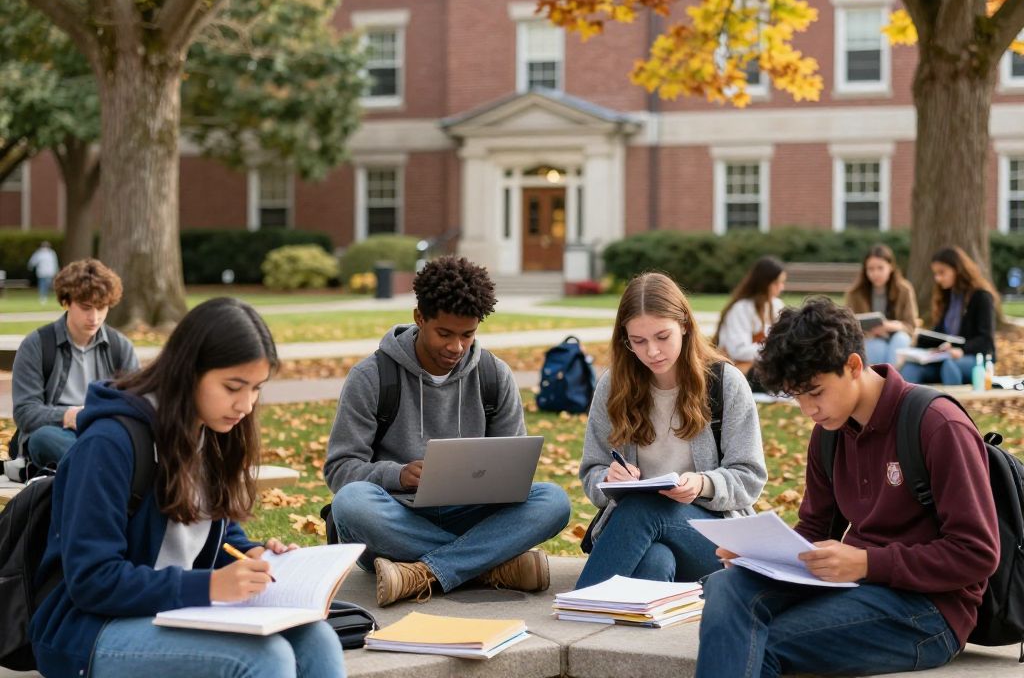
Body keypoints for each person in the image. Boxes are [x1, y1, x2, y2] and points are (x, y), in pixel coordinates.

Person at [29, 297, 345, 678]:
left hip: (169, 611)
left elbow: (212, 529)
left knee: (318, 639)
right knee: (263, 657)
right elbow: (92, 580)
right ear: (188, 371)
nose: (246, 405)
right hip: (88, 630)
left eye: (257, 388)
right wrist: (209, 586)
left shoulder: (208, 430)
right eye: (233, 387)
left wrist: (254, 555)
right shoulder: (110, 443)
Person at [695, 298, 999, 678]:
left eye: (815, 392)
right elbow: (813, 530)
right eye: (797, 396)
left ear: (853, 366)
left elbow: (978, 553)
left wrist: (868, 563)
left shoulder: (937, 425)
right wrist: (757, 555)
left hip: (929, 612)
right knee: (727, 587)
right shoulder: (828, 434)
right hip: (853, 586)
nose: (808, 410)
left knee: (758, 643)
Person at [324, 255, 571, 606]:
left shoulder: (493, 375)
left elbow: (514, 468)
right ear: (419, 318)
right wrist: (399, 475)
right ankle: (488, 566)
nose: (456, 347)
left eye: (467, 335)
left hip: (471, 518)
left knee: (554, 501)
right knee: (350, 504)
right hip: (396, 519)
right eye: (444, 333)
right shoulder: (372, 376)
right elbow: (340, 470)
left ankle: (422, 572)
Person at [576, 272, 766, 589]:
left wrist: (704, 483)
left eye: (662, 337)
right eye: (639, 341)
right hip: (637, 533)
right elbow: (591, 471)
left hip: (712, 537)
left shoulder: (724, 383)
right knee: (656, 562)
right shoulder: (613, 386)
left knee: (645, 507)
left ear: (685, 326)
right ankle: (647, 607)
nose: (652, 351)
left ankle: (581, 606)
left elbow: (750, 476)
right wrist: (609, 480)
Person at [11, 258, 139, 470]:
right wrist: (68, 416)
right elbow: (25, 413)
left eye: (101, 307)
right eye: (86, 307)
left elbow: (136, 405)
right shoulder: (38, 344)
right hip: (57, 432)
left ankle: (98, 463)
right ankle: (104, 466)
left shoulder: (120, 347)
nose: (94, 317)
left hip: (105, 431)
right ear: (67, 302)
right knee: (43, 438)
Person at [899, 245, 998, 386]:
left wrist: (961, 350)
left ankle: (950, 407)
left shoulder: (981, 297)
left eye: (942, 272)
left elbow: (986, 340)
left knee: (950, 365)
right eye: (935, 274)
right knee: (911, 367)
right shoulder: (947, 296)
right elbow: (941, 334)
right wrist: (919, 343)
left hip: (975, 359)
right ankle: (903, 407)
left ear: (957, 270)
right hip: (946, 356)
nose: (938, 278)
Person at [715, 256, 787, 381]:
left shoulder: (777, 305)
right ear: (764, 283)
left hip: (764, 369)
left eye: (782, 282)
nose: (781, 287)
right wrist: (774, 349)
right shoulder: (741, 309)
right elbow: (738, 351)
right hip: (738, 373)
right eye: (777, 283)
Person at [845, 244, 918, 366]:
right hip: (870, 339)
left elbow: (911, 326)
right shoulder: (855, 293)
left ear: (891, 267)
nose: (875, 273)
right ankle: (881, 381)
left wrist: (890, 326)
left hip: (897, 335)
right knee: (877, 347)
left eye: (880, 268)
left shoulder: (904, 290)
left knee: (901, 340)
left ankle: (891, 382)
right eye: (871, 269)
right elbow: (848, 327)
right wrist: (869, 332)